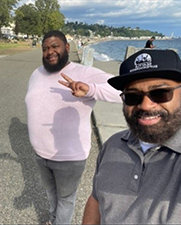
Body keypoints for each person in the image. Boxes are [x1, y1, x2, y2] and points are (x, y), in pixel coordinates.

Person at [25, 30, 121, 225]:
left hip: (69, 158)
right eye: (45, 49)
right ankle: (53, 220)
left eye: (54, 46)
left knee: (66, 200)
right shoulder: (37, 73)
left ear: (67, 47)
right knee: (51, 194)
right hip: (41, 154)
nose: (49, 52)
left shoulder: (83, 72)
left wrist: (91, 89)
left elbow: (120, 91)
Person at [82, 49, 181, 224]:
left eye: (160, 93)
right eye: (132, 96)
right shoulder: (113, 145)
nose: (145, 105)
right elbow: (97, 199)